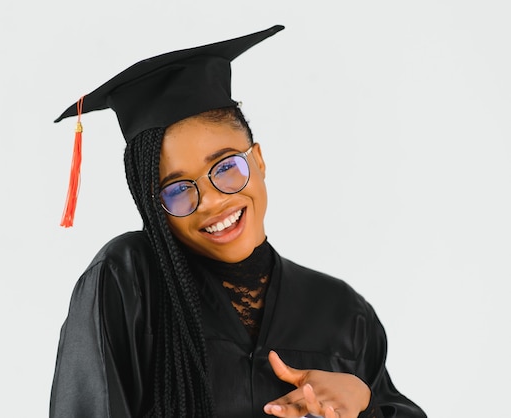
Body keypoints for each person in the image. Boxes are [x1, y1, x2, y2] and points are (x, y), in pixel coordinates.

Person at [49, 25, 427, 418]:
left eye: (226, 167)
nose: (211, 201)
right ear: (154, 207)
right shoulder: (130, 280)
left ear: (259, 160)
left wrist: (362, 402)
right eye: (177, 189)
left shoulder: (343, 313)